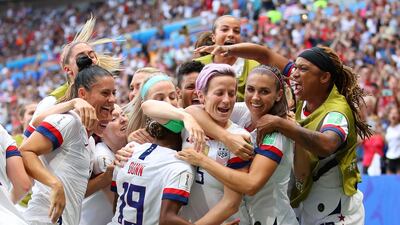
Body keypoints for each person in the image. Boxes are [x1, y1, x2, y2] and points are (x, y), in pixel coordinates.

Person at [196, 43, 371, 224]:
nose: (294, 74)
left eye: (302, 69)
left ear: (324, 77)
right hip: (304, 203)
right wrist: (228, 50)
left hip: (335, 209)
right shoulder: (304, 91)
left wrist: (283, 124)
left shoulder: (336, 111)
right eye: (295, 67)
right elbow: (265, 54)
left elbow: (327, 144)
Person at [177, 65, 298, 225]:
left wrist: (203, 161)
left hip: (275, 219)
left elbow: (251, 184)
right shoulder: (245, 111)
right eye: (250, 89)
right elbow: (193, 110)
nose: (255, 97)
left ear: (278, 95)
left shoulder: (277, 133)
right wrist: (226, 137)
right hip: (249, 216)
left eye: (264, 91)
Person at [141, 63, 250, 224]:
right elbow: (147, 106)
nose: (226, 100)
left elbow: (231, 204)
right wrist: (185, 117)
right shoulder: (188, 125)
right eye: (219, 93)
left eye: (232, 94)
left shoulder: (239, 137)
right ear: (201, 96)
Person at [20, 56, 116, 225]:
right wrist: (54, 184)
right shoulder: (68, 121)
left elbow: (74, 191)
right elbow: (26, 150)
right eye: (105, 93)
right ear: (82, 94)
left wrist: (106, 177)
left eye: (114, 93)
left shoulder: (90, 140)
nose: (113, 99)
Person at [25, 16, 122, 138]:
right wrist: (72, 103)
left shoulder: (108, 95)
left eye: (92, 55)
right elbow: (29, 137)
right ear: (67, 69)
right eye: (81, 56)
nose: (88, 59)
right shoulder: (54, 100)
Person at [80, 104, 128, 225]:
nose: (123, 120)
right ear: (100, 131)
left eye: (123, 114)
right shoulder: (101, 157)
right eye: (114, 119)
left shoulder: (129, 146)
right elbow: (119, 206)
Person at [194, 15, 259, 101]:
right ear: (213, 37)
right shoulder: (196, 65)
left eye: (236, 31)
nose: (231, 34)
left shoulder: (255, 66)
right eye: (225, 29)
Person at [385, 106, 400, 174]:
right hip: (390, 157)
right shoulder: (387, 129)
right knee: (389, 181)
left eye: (396, 113)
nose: (393, 115)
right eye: (392, 113)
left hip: (398, 157)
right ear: (389, 116)